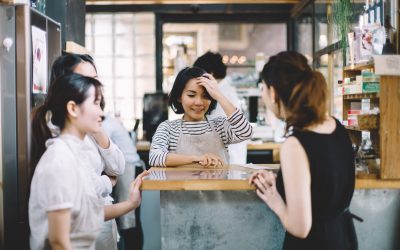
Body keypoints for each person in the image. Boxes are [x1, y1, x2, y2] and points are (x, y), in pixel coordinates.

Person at [249, 51, 357, 249]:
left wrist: (274, 199)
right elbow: (321, 182)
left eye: (263, 88)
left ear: (273, 93)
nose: (263, 95)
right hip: (343, 238)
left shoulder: (295, 145)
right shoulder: (336, 126)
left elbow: (300, 228)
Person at [29, 73, 148, 250]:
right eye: (95, 103)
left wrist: (131, 203)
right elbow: (59, 242)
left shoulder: (76, 154)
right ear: (73, 108)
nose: (101, 113)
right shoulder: (60, 160)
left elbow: (88, 214)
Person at [42, 53, 125, 250]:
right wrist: (109, 181)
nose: (96, 86)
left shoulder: (90, 122)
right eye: (88, 80)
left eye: (96, 79)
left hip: (103, 222)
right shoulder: (56, 128)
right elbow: (85, 186)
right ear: (67, 84)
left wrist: (98, 131)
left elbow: (119, 166)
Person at [149, 66, 253, 167]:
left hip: (219, 185)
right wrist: (197, 159)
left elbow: (246, 132)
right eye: (191, 95)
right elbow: (155, 157)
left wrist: (218, 94)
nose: (199, 102)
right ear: (179, 97)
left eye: (205, 96)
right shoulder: (168, 128)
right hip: (182, 185)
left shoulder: (220, 126)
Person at [193, 51, 248, 164]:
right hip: (228, 158)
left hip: (226, 160)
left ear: (210, 74)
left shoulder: (220, 93)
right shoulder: (225, 90)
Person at [102, 115, 145, 250]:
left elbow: (102, 149)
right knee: (127, 219)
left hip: (129, 169)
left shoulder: (105, 125)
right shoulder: (108, 122)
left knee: (129, 220)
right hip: (129, 168)